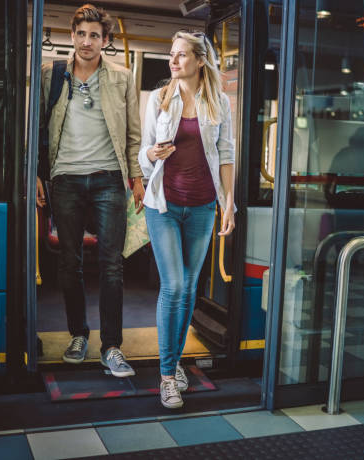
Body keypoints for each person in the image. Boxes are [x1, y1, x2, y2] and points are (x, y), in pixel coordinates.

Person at [36, 4, 145, 377]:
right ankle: (78, 334)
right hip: (64, 179)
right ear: (73, 35)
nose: (86, 41)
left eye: (94, 35)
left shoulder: (121, 78)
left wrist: (137, 178)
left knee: (112, 265)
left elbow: (133, 136)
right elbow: (35, 129)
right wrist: (36, 174)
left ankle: (111, 346)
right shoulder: (52, 74)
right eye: (81, 34)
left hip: (108, 179)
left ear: (105, 40)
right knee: (69, 263)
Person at [138, 30, 236, 408]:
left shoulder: (219, 103)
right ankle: (166, 376)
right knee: (175, 285)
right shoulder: (160, 98)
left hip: (202, 206)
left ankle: (174, 362)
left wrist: (229, 204)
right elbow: (144, 155)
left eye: (181, 55)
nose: (173, 61)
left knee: (190, 288)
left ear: (199, 60)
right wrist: (154, 152)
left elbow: (225, 155)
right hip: (163, 204)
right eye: (171, 54)